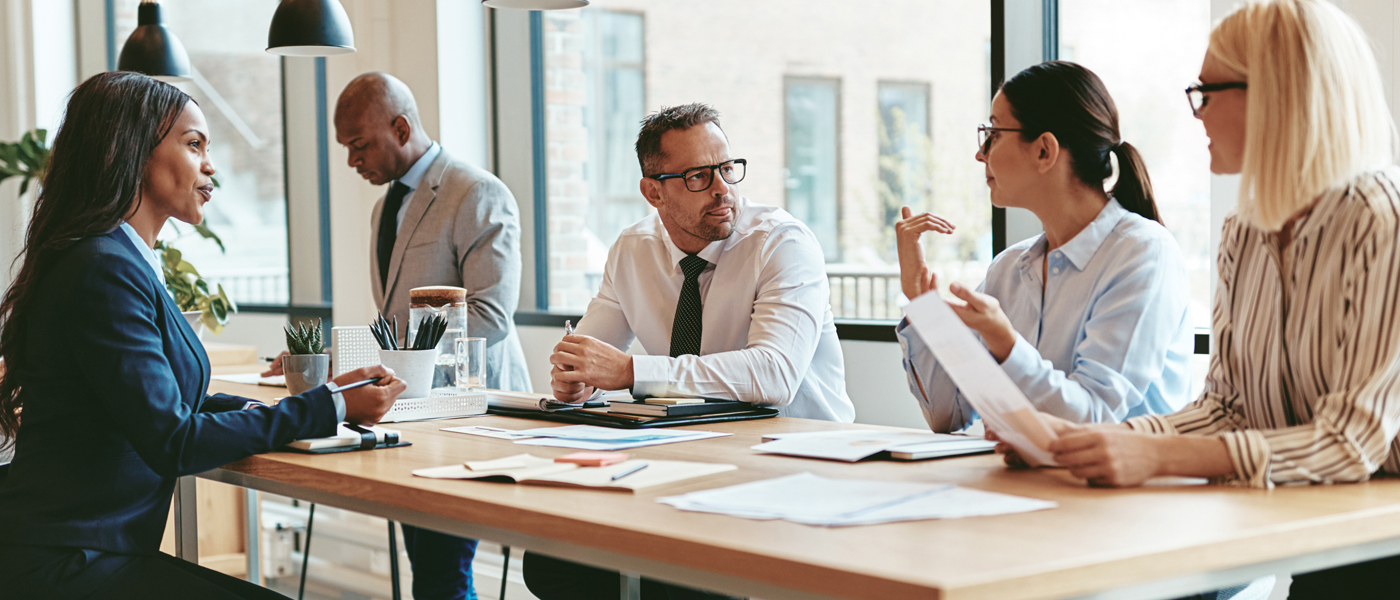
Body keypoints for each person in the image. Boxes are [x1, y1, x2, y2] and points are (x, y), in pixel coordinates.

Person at [1014, 1, 1400, 597]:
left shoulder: (1382, 223)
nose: (1196, 115)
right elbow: (1227, 406)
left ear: (1275, 95)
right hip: (1321, 525)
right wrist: (1098, 445)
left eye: (1206, 93)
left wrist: (1159, 459)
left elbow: (1347, 441)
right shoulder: (1245, 232)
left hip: (1378, 537)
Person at [0, 71, 404, 599]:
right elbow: (174, 439)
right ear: (134, 152)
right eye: (194, 145)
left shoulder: (113, 258)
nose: (211, 165)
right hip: (69, 564)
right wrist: (329, 406)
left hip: (89, 550)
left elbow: (164, 402)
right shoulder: (102, 268)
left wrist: (301, 406)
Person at [524, 103, 853, 599]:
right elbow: (590, 356)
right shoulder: (633, 250)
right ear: (653, 190)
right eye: (699, 176)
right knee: (555, 560)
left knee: (684, 581)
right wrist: (574, 377)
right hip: (688, 457)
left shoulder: (782, 244)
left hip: (795, 464)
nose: (723, 188)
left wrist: (631, 371)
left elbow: (775, 376)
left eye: (727, 168)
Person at [270, 71, 531, 600]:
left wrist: (398, 363)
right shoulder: (383, 206)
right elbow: (393, 323)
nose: (352, 161)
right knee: (431, 574)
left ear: (402, 126)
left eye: (359, 145)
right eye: (346, 148)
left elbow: (491, 314)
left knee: (441, 575)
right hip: (410, 415)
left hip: (467, 412)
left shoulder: (476, 193)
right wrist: (327, 356)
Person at [896, 61, 1194, 433]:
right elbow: (949, 415)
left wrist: (1004, 342)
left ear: (1044, 151)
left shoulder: (1144, 255)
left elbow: (1094, 419)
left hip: (1127, 489)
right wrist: (922, 306)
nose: (981, 153)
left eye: (994, 132)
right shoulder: (1008, 269)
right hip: (1030, 483)